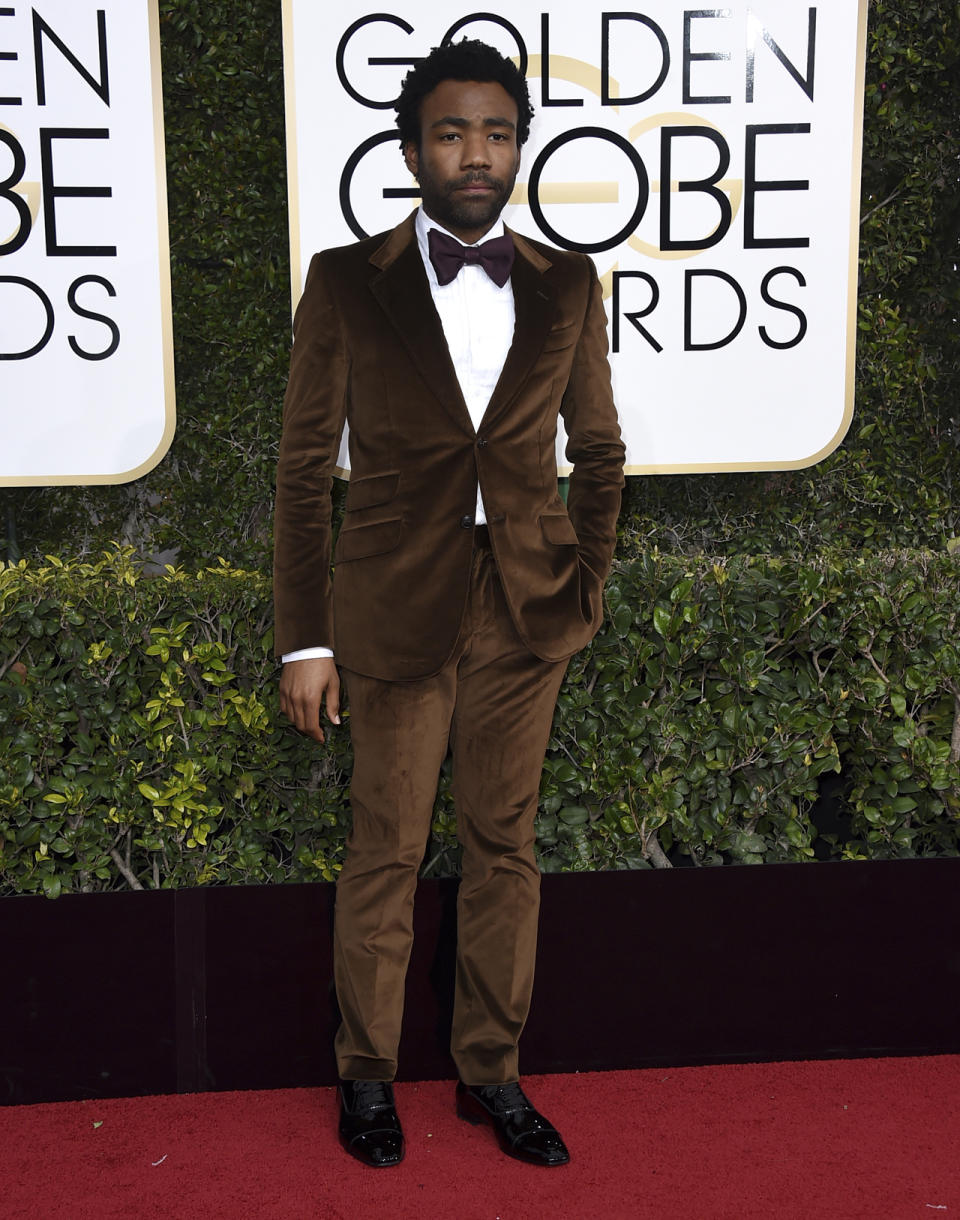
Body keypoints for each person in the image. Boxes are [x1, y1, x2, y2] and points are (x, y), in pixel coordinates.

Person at [273, 38, 625, 1169]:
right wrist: (305, 637)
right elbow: (297, 469)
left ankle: (492, 1071)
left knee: (503, 845)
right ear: (411, 146)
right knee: (386, 845)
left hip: (528, 607)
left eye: (498, 131)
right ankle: (367, 1076)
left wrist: (588, 576)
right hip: (388, 603)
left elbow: (602, 446)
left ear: (519, 145)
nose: (476, 153)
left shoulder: (569, 280)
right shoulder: (344, 279)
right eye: (451, 131)